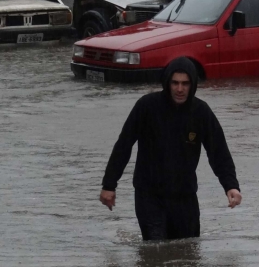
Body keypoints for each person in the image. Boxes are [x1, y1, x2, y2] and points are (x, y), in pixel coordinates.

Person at [99, 57, 242, 240]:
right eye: (175, 83)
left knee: (188, 253)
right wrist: (109, 185)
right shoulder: (147, 106)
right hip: (149, 195)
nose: (180, 89)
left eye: (185, 83)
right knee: (156, 251)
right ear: (167, 82)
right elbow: (123, 145)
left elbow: (219, 152)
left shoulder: (201, 112)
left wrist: (231, 186)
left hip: (185, 196)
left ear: (193, 85)